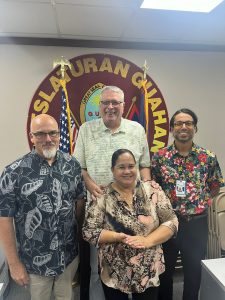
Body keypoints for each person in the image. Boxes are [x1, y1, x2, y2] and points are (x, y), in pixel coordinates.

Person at [74, 85, 151, 300]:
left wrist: (147, 192)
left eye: (115, 102)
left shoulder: (137, 129)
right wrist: (89, 183)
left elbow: (144, 164)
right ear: (99, 106)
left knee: (135, 258)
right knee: (100, 265)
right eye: (106, 102)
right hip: (100, 209)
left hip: (133, 208)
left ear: (123, 106)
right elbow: (78, 166)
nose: (110, 107)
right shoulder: (86, 130)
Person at [0, 114, 86, 300]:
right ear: (31, 136)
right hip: (35, 261)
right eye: (40, 134)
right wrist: (14, 265)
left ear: (59, 134)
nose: (47, 139)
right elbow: (4, 219)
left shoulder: (72, 165)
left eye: (52, 133)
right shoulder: (13, 172)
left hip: (68, 257)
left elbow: (80, 204)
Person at [83, 149, 178, 300]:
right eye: (121, 167)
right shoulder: (102, 196)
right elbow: (89, 231)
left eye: (131, 166)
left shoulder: (152, 190)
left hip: (148, 271)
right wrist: (117, 236)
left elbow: (171, 221)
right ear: (112, 170)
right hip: (114, 272)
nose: (127, 171)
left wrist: (148, 240)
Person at [151, 108, 224, 300]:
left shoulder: (208, 157)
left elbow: (215, 186)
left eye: (188, 123)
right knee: (164, 273)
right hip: (167, 223)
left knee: (193, 273)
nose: (184, 127)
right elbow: (153, 188)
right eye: (179, 123)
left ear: (195, 128)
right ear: (171, 129)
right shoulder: (159, 158)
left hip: (196, 223)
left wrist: (199, 199)